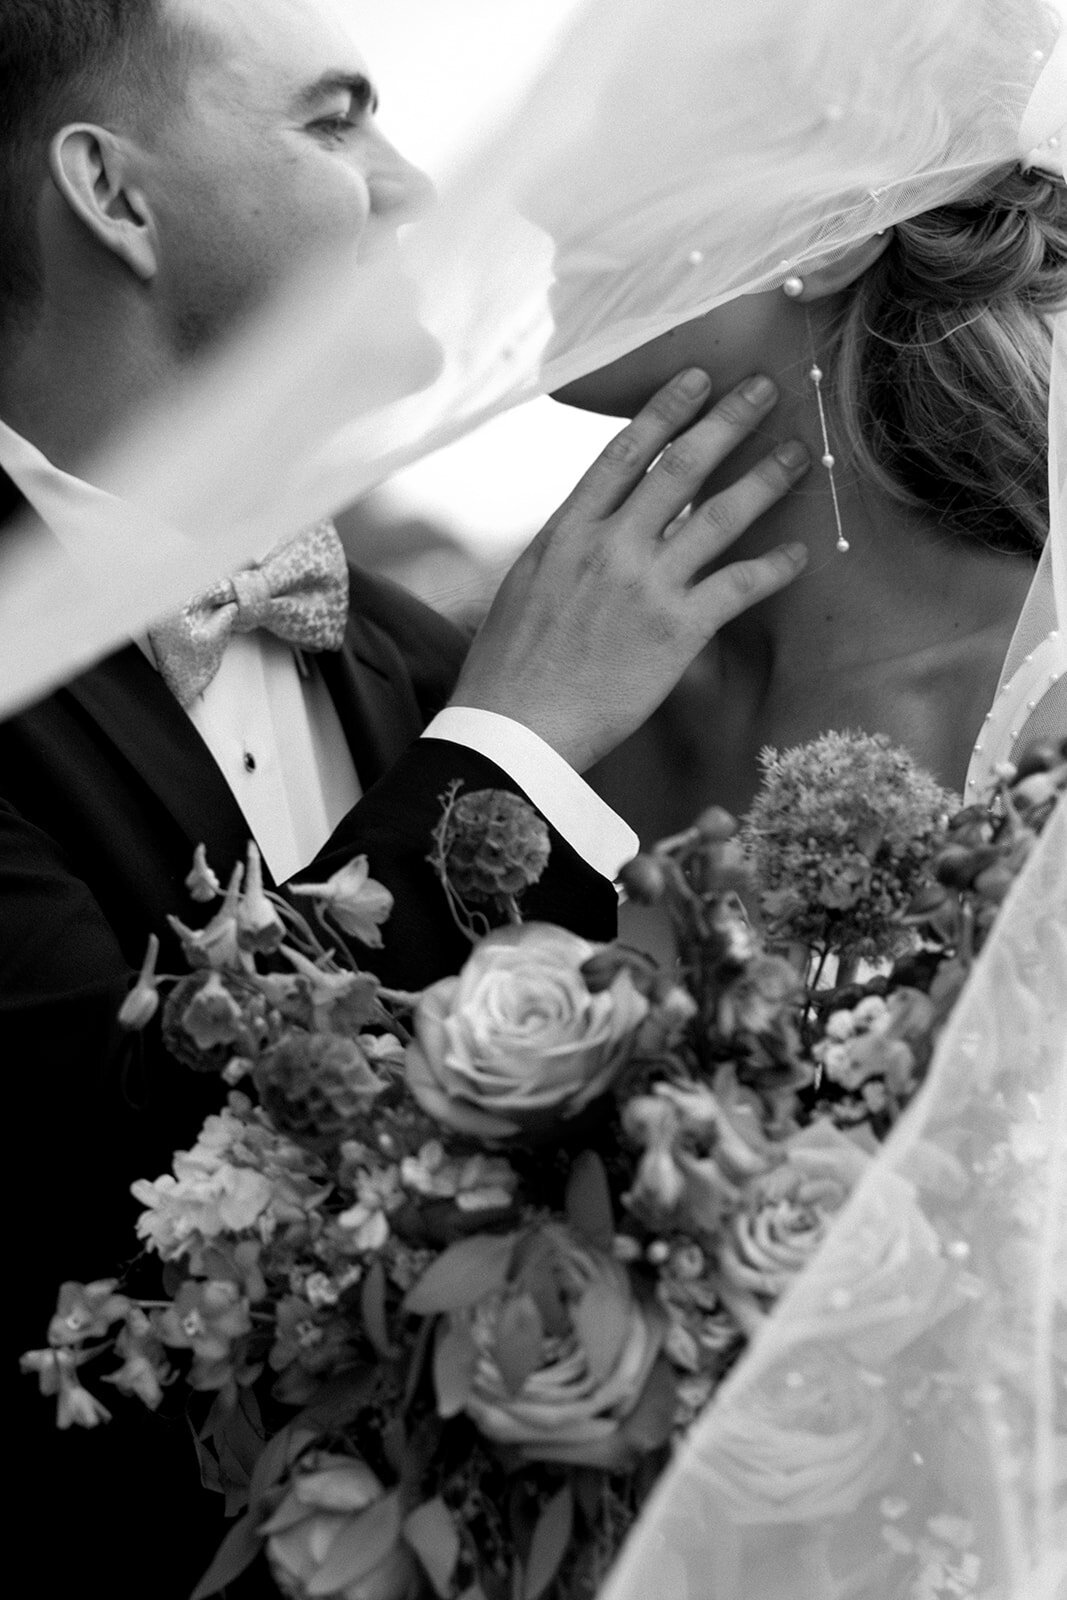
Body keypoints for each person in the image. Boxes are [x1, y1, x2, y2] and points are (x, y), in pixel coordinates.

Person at [0, 1, 809, 1593]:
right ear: (115, 195)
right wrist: (504, 752)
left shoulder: (427, 660)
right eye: (335, 117)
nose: (419, 185)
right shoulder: (503, 703)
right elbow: (107, 1189)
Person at [563, 163, 1067, 840]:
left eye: (645, 147)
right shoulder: (559, 673)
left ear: (833, 237)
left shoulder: (1043, 715)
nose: (535, 202)